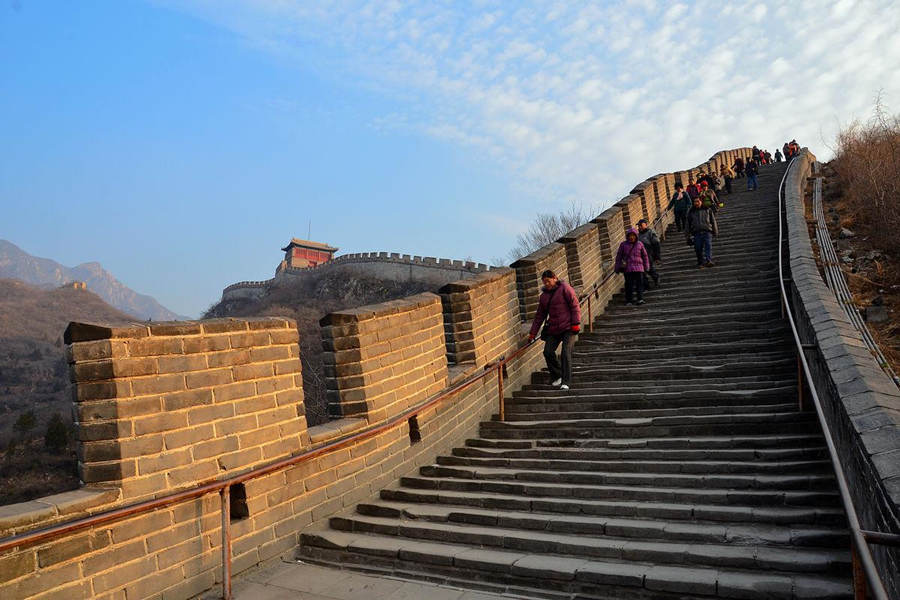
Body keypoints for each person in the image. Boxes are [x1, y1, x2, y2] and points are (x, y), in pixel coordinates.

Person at [527, 270, 580, 391]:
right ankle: (557, 375)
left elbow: (574, 305)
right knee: (547, 352)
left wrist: (576, 323)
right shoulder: (544, 297)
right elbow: (539, 316)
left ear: (555, 278)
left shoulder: (565, 288)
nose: (546, 284)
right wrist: (532, 333)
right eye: (544, 282)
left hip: (568, 327)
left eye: (548, 281)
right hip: (554, 329)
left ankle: (566, 382)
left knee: (566, 353)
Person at [615, 227, 651, 306]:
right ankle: (629, 300)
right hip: (628, 269)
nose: (631, 237)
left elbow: (645, 256)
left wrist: (646, 266)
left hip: (639, 268)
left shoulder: (640, 244)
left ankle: (640, 299)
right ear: (627, 236)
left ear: (636, 236)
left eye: (633, 235)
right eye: (630, 235)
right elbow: (619, 257)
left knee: (639, 284)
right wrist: (617, 267)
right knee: (629, 285)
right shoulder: (623, 245)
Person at [686, 197, 718, 268]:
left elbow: (713, 221)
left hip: (707, 231)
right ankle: (700, 262)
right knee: (698, 248)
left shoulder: (707, 209)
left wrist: (715, 231)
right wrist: (687, 236)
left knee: (708, 246)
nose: (696, 203)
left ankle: (708, 260)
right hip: (697, 233)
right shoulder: (691, 212)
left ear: (701, 202)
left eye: (698, 201)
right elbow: (687, 224)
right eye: (695, 202)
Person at [637, 219, 661, 288]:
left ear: (646, 225)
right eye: (638, 226)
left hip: (649, 254)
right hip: (640, 256)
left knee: (649, 269)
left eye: (641, 225)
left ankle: (656, 277)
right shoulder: (638, 235)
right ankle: (646, 285)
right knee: (642, 271)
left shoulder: (650, 232)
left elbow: (656, 244)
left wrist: (657, 257)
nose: (639, 227)